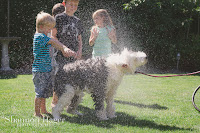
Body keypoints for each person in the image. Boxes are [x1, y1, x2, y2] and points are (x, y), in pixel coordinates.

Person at [32, 11, 76, 118]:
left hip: (46, 69)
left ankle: (43, 110)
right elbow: (53, 41)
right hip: (40, 71)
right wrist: (64, 48)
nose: (50, 31)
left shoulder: (44, 36)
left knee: (44, 93)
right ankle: (37, 113)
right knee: (39, 93)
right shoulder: (39, 37)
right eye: (48, 28)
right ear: (41, 26)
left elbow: (52, 42)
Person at [51, 0, 84, 115]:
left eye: (76, 5)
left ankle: (71, 108)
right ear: (64, 4)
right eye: (71, 4)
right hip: (60, 55)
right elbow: (53, 37)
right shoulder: (58, 18)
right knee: (60, 79)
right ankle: (54, 104)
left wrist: (80, 51)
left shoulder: (78, 21)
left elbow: (79, 39)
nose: (73, 7)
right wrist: (63, 48)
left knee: (75, 81)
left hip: (74, 57)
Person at [50, 3, 65, 108]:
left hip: (60, 56)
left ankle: (59, 101)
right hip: (56, 57)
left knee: (63, 79)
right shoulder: (53, 25)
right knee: (58, 79)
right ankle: (54, 102)